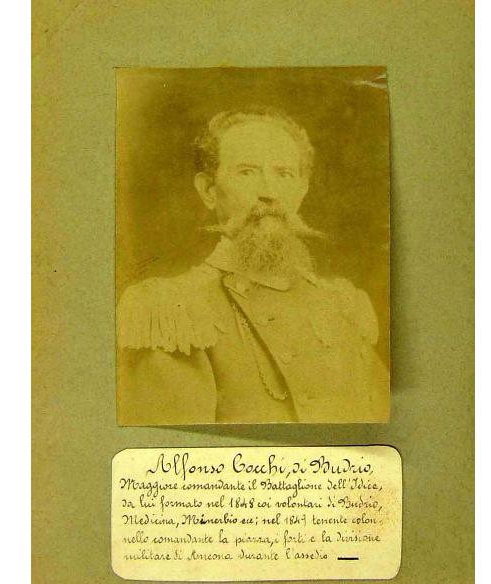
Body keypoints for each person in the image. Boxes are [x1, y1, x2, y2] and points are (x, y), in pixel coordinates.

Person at [117, 106, 389, 424]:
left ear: (302, 190)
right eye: (247, 172)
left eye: (283, 174)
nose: (269, 193)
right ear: (208, 191)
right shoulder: (173, 311)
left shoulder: (342, 305)